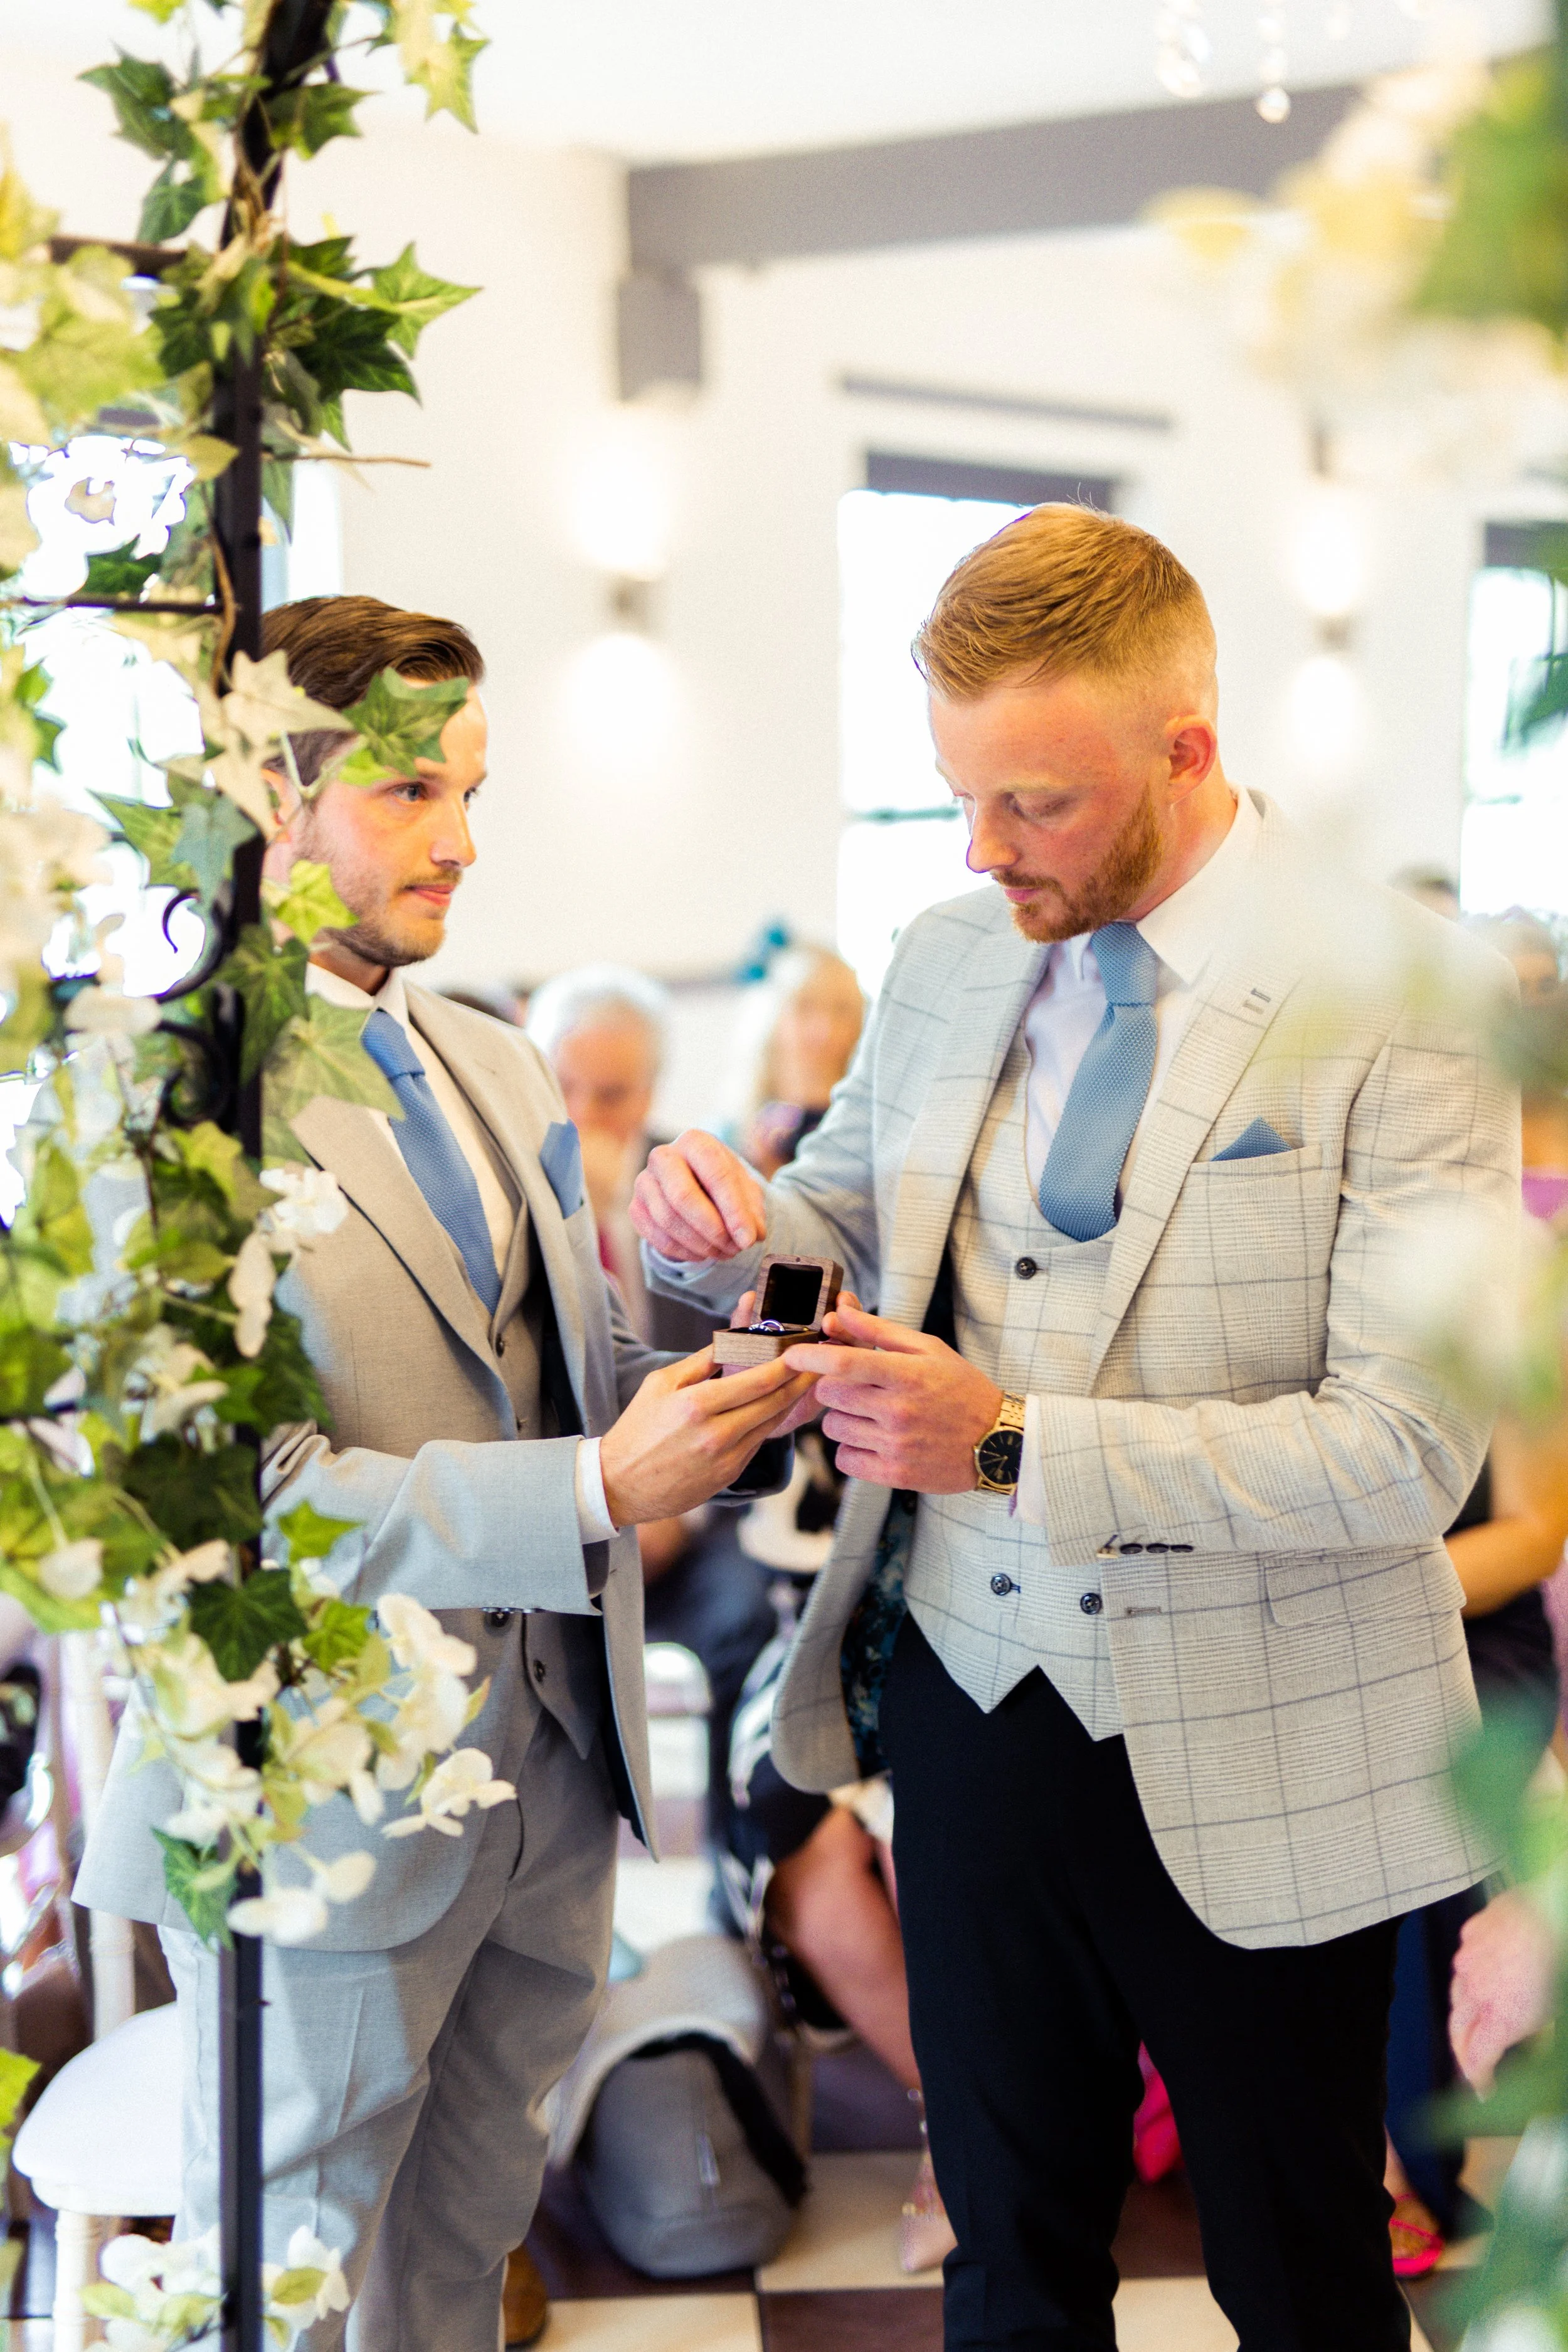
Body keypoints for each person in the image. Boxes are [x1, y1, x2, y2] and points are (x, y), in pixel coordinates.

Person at [632, 504, 1518, 2348]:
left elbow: (1398, 1453)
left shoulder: (1400, 1005)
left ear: (1186, 749)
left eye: (1030, 801)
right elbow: (849, 1204)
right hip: (969, 1696)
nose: (981, 849)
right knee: (1009, 2256)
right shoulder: (954, 944)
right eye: (956, 796)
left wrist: (1016, 1438)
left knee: (1297, 2271)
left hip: (1271, 1718)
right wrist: (730, 1227)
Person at [75, 594, 815, 2352]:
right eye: (413, 792)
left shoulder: (486, 1052)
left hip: (553, 1765)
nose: (463, 843)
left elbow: (573, 1387)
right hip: (323, 1806)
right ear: (275, 793)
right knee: (295, 2275)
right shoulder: (166, 1088)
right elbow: (219, 1500)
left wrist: (723, 1301)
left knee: (468, 2237)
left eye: (474, 792)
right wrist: (581, 1492)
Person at [722, 945, 866, 1178]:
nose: (824, 1030)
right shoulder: (730, 1134)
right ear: (772, 1017)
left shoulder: (867, 1133)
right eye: (805, 1007)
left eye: (841, 1010)